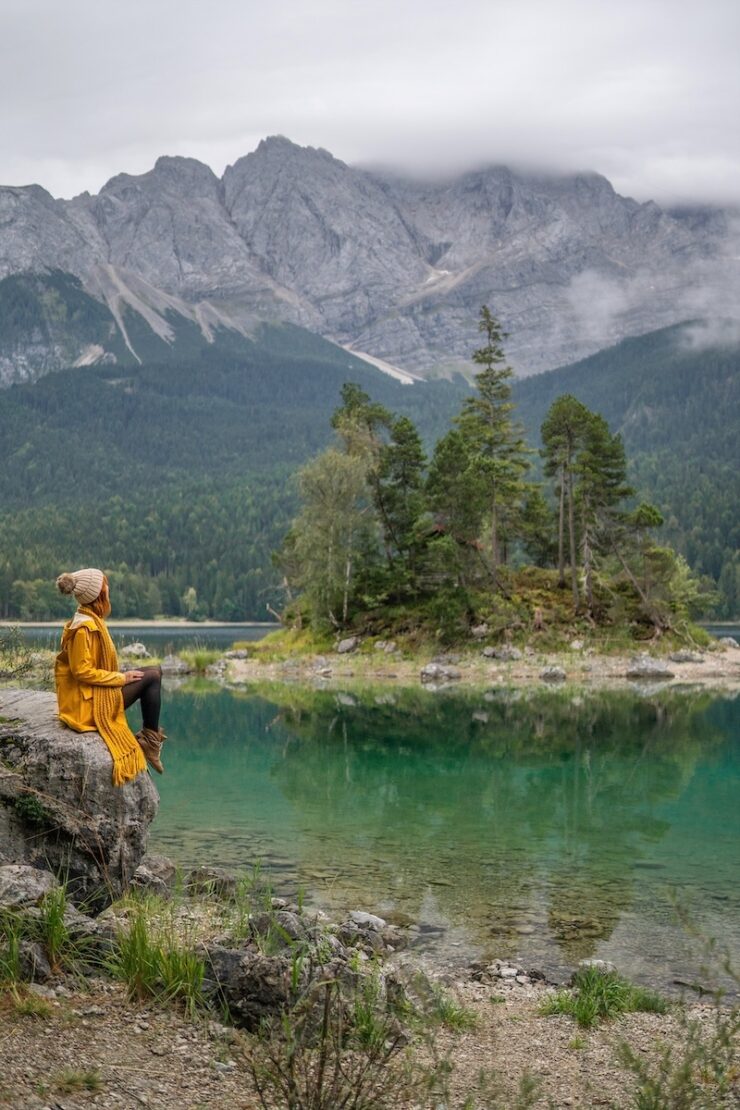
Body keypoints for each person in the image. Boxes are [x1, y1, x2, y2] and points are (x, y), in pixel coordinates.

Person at [54, 567, 166, 784]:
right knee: (151, 677)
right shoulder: (83, 629)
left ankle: (150, 740)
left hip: (91, 694)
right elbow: (81, 672)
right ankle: (150, 744)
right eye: (105, 584)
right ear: (98, 594)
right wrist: (120, 678)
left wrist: (120, 677)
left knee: (156, 671)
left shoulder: (91, 619)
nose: (108, 587)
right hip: (86, 705)